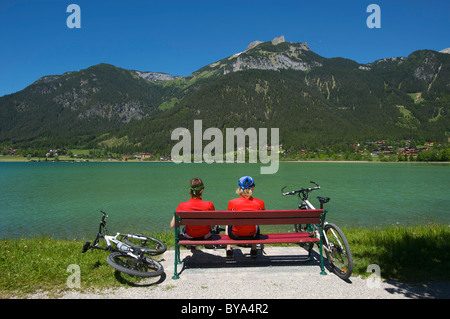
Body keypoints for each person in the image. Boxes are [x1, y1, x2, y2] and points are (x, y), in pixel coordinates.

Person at [226, 176, 265, 259]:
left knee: (228, 222)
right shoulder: (260, 202)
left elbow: (229, 218)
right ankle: (253, 249)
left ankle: (228, 248)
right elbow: (262, 219)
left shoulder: (232, 202)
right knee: (256, 223)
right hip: (253, 235)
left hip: (235, 235)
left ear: (240, 188)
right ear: (253, 188)